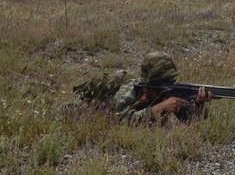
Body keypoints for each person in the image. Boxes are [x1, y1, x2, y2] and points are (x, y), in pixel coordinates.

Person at [72, 52, 212, 125]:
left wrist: (199, 103)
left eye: (171, 80)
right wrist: (155, 110)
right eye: (165, 81)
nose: (169, 84)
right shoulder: (129, 91)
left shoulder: (164, 91)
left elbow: (190, 121)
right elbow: (116, 120)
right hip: (83, 110)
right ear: (151, 81)